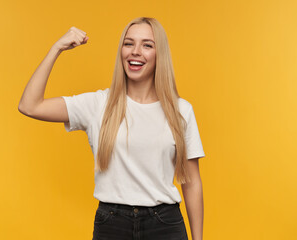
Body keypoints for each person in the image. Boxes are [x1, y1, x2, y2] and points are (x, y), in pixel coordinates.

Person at [18, 17, 205, 240]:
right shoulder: (98, 105)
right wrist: (56, 48)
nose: (136, 51)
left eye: (147, 45)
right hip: (112, 224)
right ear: (121, 52)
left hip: (165, 225)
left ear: (159, 54)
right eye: (128, 43)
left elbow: (192, 182)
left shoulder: (181, 110)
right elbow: (30, 106)